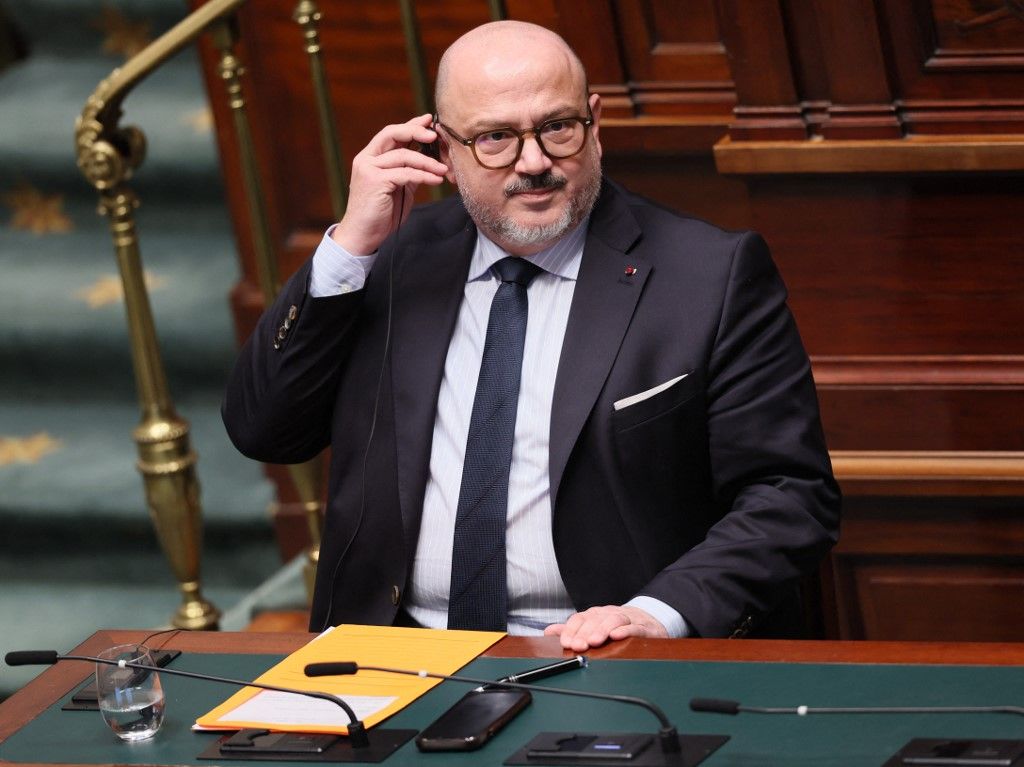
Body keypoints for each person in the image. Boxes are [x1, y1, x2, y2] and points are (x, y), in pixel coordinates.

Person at [222, 20, 840, 650]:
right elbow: (265, 429)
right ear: (443, 146)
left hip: (608, 656)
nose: (534, 162)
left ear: (595, 123)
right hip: (389, 654)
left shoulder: (709, 274)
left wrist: (657, 614)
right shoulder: (389, 258)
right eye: (494, 138)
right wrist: (349, 246)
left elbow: (789, 494)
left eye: (557, 127)